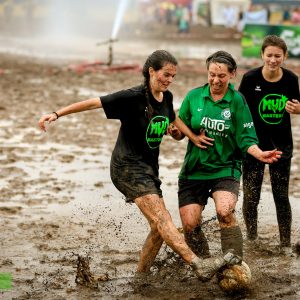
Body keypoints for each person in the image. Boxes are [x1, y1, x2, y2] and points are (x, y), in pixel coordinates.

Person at [38, 50, 241, 282]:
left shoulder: (166, 97)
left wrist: (192, 137)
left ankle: (140, 277)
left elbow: (173, 118)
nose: (169, 80)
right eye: (166, 74)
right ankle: (198, 264)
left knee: (158, 229)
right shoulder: (132, 97)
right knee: (163, 220)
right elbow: (93, 103)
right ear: (151, 71)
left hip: (148, 169)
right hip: (126, 167)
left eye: (173, 76)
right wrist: (56, 114)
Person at [168, 50, 282, 260]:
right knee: (190, 225)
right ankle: (205, 264)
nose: (215, 80)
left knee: (225, 211)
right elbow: (179, 127)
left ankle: (234, 263)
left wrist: (259, 154)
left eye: (221, 76)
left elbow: (246, 137)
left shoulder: (237, 101)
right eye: (211, 74)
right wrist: (177, 133)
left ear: (232, 75)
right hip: (194, 170)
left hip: (225, 168)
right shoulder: (194, 96)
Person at [238, 35, 300, 254]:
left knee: (281, 195)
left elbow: (298, 105)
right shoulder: (250, 78)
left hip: (282, 146)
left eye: (278, 56)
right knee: (251, 194)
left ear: (284, 56)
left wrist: (298, 109)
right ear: (262, 55)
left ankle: (285, 245)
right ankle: (252, 239)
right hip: (255, 146)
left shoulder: (291, 79)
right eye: (269, 55)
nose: (273, 60)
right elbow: (239, 109)